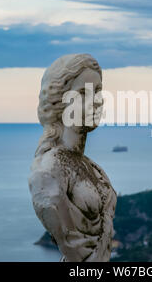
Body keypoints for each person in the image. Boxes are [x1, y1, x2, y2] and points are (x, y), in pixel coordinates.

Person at [28, 54, 117, 262]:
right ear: (60, 102)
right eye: (82, 93)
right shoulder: (49, 170)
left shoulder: (93, 168)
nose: (95, 101)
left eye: (97, 91)